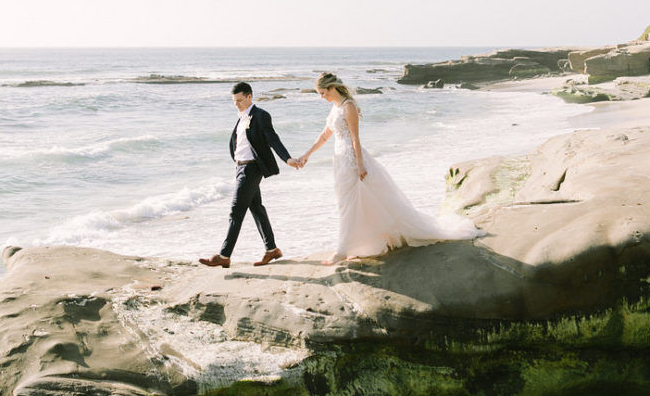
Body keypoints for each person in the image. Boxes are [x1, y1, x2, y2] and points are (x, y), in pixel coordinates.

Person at [297, 72, 480, 265]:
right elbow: (325, 135)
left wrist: (360, 165)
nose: (321, 97)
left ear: (332, 88)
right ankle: (360, 245)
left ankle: (342, 250)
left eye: (323, 92)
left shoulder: (348, 106)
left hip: (351, 160)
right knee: (351, 204)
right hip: (340, 160)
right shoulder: (335, 108)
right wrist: (306, 155)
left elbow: (355, 138)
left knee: (350, 204)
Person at [199, 82, 301, 269]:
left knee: (236, 211)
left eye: (239, 100)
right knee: (257, 209)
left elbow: (273, 139)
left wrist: (287, 159)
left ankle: (224, 255)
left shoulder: (261, 115)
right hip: (240, 168)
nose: (236, 104)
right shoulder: (242, 117)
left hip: (251, 169)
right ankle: (272, 250)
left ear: (249, 97)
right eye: (234, 101)